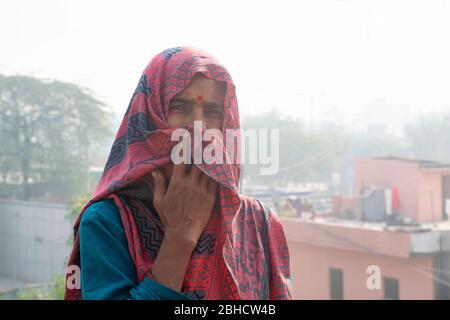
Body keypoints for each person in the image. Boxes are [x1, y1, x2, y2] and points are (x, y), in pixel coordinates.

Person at [65, 46, 293, 300]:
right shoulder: (108, 222)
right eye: (179, 107)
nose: (198, 126)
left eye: (212, 112)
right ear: (150, 115)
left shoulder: (260, 224)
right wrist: (180, 238)